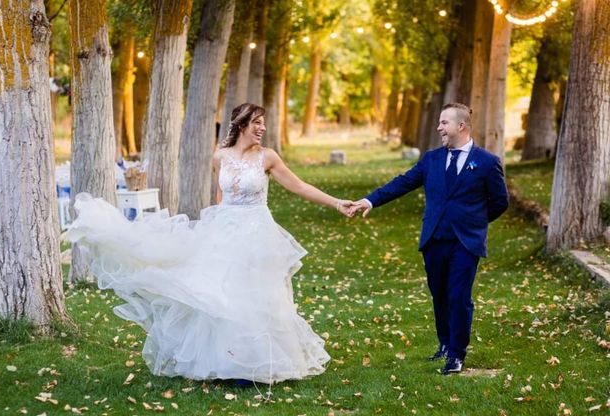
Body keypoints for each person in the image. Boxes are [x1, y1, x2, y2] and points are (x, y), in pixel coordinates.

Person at [66, 103, 353, 385]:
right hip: (224, 229)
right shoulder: (220, 157)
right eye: (257, 123)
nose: (262, 128)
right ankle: (224, 361)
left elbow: (299, 186)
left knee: (255, 295)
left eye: (263, 123)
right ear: (241, 124)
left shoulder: (267, 157)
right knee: (219, 293)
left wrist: (337, 203)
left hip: (256, 232)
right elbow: (221, 195)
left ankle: (256, 363)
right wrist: (213, 229)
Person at [347, 102, 509, 374]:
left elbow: (500, 202)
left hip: (466, 243)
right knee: (440, 295)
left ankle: (457, 354)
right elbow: (402, 182)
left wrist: (475, 223)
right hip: (434, 239)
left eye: (443, 123)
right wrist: (369, 201)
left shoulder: (487, 162)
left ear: (461, 126)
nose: (438, 128)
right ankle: (444, 344)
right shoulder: (431, 159)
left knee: (458, 296)